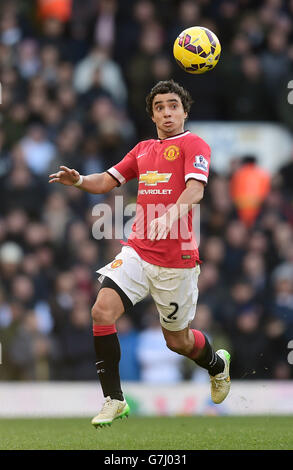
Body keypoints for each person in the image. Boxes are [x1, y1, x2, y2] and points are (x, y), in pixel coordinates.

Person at [49, 80, 231, 428]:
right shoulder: (143, 149)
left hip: (177, 263)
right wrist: (78, 180)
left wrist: (170, 216)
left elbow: (195, 191)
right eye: (159, 107)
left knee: (176, 341)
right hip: (138, 249)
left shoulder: (195, 144)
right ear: (152, 115)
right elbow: (106, 180)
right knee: (101, 310)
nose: (167, 112)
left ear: (184, 111)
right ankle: (114, 399)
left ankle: (216, 365)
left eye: (173, 106)